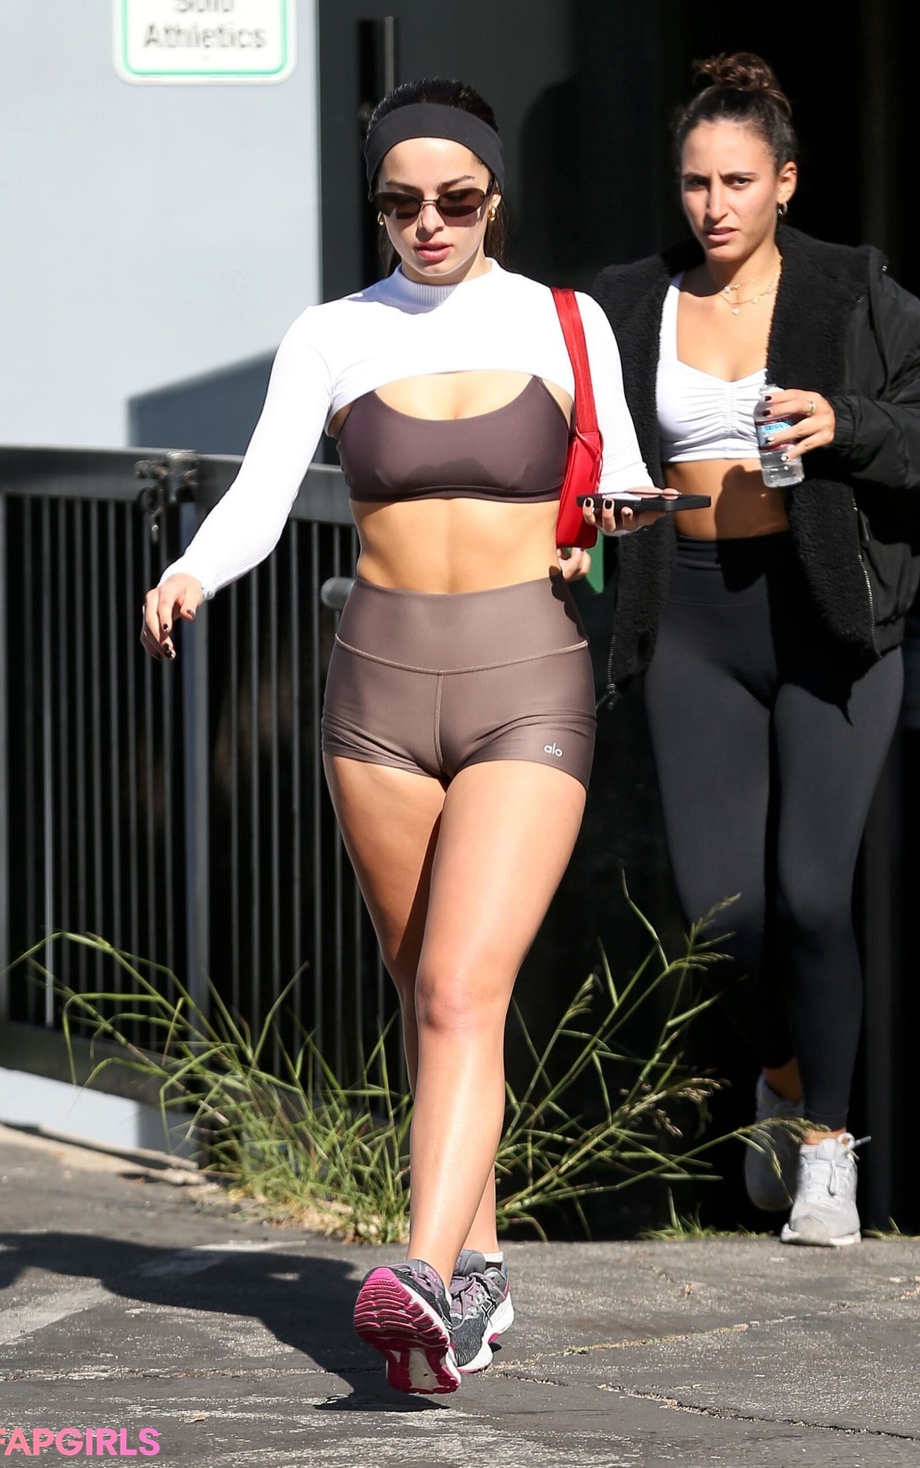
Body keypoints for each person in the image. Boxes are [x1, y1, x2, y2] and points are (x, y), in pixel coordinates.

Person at [141, 78, 660, 1392]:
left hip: (525, 677)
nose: (429, 222)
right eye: (401, 202)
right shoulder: (334, 333)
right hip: (374, 691)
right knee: (430, 995)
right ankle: (474, 1281)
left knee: (459, 989)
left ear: (494, 197)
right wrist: (193, 572)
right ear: (377, 207)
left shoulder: (562, 319)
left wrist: (618, 514)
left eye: (457, 199)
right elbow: (263, 491)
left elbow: (623, 474)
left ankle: (419, 1275)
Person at [588, 52, 920, 1247]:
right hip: (694, 616)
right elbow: (565, 430)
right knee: (724, 913)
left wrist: (843, 420)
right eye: (695, 182)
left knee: (815, 895)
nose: (713, 205)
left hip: (825, 619)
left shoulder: (851, 290)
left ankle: (827, 1151)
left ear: (786, 181)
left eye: (738, 181)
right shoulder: (629, 301)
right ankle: (783, 1079)